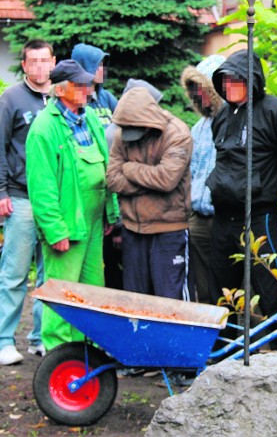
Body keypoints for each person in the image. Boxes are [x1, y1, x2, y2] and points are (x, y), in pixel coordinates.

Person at [206, 49, 277, 351]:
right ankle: (226, 353)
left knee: (271, 287)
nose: (228, 87)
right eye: (224, 81)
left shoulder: (274, 111)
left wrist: (273, 190)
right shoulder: (223, 116)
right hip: (222, 219)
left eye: (235, 80)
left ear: (251, 81)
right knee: (224, 290)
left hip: (258, 217)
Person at [26, 59, 119, 352]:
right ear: (61, 89)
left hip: (93, 220)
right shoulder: (44, 127)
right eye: (80, 85)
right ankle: (58, 357)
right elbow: (41, 187)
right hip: (67, 222)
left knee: (91, 289)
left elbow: (106, 162)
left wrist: (109, 211)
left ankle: (85, 353)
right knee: (62, 293)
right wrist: (54, 230)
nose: (87, 90)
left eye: (87, 84)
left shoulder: (89, 117)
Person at [106, 86, 192, 300]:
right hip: (132, 228)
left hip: (168, 229)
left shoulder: (177, 134)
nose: (128, 135)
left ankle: (172, 335)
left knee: (169, 297)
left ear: (148, 122)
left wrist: (130, 168)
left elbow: (166, 179)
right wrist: (148, 178)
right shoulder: (121, 135)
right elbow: (113, 179)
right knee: (135, 299)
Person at [0, 39, 55, 365]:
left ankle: (41, 337)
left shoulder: (60, 97)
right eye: (32, 61)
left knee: (51, 276)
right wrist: (1, 192)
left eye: (43, 60)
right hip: (20, 199)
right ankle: (5, 340)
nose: (38, 67)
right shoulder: (11, 99)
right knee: (15, 274)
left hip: (51, 202)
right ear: (24, 65)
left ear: (53, 62)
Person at [71, 42, 121, 287]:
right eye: (98, 64)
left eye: (103, 64)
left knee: (110, 257)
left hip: (109, 184)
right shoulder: (77, 101)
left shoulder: (106, 98)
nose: (103, 69)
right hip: (84, 190)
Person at [181, 54, 225, 303]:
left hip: (222, 217)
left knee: (229, 284)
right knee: (204, 287)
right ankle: (214, 339)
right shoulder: (197, 128)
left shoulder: (233, 122)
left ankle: (240, 337)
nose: (200, 96)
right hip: (197, 218)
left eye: (203, 89)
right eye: (195, 91)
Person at [71, 43, 118, 127]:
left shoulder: (106, 97)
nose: (102, 70)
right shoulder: (73, 100)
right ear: (84, 67)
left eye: (103, 66)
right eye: (97, 66)